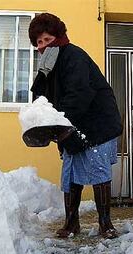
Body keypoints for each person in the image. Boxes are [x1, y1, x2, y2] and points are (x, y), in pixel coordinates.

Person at [28, 13, 122, 239]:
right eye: (39, 42)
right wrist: (40, 118)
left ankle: (105, 224)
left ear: (59, 37)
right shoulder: (47, 67)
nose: (43, 46)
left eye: (47, 40)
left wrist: (59, 121)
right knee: (70, 173)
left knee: (98, 168)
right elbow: (41, 97)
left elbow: (79, 94)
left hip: (97, 123)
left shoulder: (73, 56)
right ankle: (71, 224)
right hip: (71, 123)